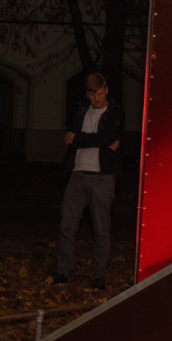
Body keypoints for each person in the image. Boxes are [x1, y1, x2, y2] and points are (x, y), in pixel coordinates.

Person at [52, 73, 125, 291]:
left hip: (102, 177)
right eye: (92, 94)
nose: (96, 98)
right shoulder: (81, 111)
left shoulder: (115, 112)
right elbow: (73, 139)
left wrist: (79, 138)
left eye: (99, 92)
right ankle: (62, 272)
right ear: (87, 94)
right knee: (67, 225)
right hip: (77, 175)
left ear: (106, 89)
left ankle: (99, 277)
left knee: (101, 229)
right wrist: (89, 139)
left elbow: (105, 137)